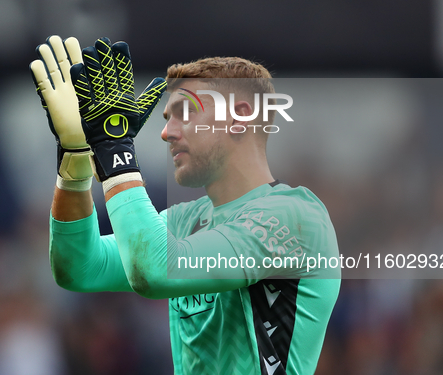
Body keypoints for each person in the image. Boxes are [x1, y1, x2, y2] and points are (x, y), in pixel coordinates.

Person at [30, 35, 340, 375]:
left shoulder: (296, 216)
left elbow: (156, 272)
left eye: (185, 112)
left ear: (240, 116)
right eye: (167, 116)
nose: (166, 132)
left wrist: (114, 150)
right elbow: (79, 267)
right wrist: (76, 160)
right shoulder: (184, 220)